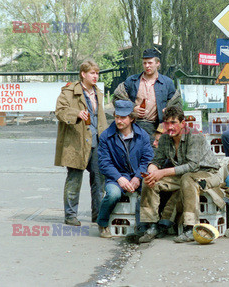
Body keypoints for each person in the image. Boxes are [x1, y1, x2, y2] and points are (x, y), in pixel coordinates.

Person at [139, 106, 221, 243]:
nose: (169, 127)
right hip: (183, 174)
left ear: (183, 123)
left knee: (187, 179)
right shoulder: (165, 138)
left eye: (173, 123)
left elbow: (192, 166)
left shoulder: (194, 135)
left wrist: (162, 172)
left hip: (207, 173)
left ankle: (190, 228)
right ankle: (152, 225)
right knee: (150, 181)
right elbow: (156, 160)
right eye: (166, 123)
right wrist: (151, 173)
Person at [55, 59, 108, 226]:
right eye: (92, 73)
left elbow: (101, 118)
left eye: (97, 73)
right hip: (77, 142)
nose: (95, 76)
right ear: (83, 74)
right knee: (74, 180)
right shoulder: (69, 91)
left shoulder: (98, 92)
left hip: (97, 142)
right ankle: (70, 216)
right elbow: (60, 111)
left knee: (99, 181)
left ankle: (98, 215)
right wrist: (76, 113)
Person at [96, 100, 154, 238]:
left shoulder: (142, 135)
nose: (119, 120)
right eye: (117, 117)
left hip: (137, 174)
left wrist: (138, 177)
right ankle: (102, 223)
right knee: (113, 194)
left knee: (150, 189)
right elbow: (104, 163)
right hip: (116, 177)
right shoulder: (106, 136)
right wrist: (119, 178)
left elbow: (148, 159)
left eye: (123, 117)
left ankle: (145, 226)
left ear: (132, 118)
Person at [113, 48, 182, 142]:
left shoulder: (167, 83)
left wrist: (168, 112)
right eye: (144, 63)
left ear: (157, 63)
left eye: (150, 63)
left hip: (157, 128)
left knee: (155, 155)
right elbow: (117, 98)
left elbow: (177, 105)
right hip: (133, 127)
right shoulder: (132, 81)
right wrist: (132, 108)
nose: (147, 66)